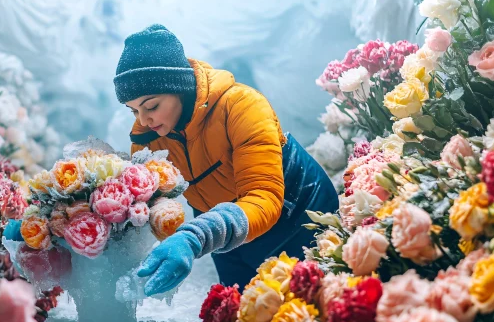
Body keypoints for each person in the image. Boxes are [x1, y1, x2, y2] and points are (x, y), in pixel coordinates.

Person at [113, 24, 338, 296]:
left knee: (307, 311)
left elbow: (264, 196)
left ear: (180, 88)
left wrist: (194, 237)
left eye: (151, 106)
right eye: (134, 110)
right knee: (242, 320)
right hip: (224, 232)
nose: (143, 120)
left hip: (298, 215)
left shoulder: (242, 106)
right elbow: (147, 203)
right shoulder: (148, 138)